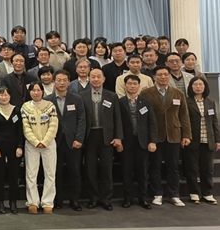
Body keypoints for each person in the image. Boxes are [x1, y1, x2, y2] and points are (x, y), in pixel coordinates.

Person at [140, 65, 192, 207]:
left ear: (169, 76)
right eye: (160, 75)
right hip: (155, 136)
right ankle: (157, 194)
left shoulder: (178, 93)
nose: (163, 77)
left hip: (174, 134)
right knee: (155, 166)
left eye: (165, 74)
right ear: (154, 77)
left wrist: (186, 135)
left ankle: (174, 194)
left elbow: (184, 115)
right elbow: (143, 117)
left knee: (173, 167)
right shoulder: (146, 93)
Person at [80, 68, 123, 210]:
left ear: (104, 79)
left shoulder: (112, 96)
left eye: (98, 76)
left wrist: (118, 137)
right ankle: (93, 198)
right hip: (89, 136)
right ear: (89, 79)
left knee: (107, 169)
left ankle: (106, 199)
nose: (96, 79)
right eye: (93, 77)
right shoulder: (82, 96)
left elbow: (117, 118)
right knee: (90, 169)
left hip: (107, 137)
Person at [45, 70, 86, 211]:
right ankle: (58, 200)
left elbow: (82, 119)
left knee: (74, 172)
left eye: (64, 80)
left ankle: (75, 200)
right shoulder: (47, 100)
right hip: (53, 142)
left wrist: (79, 138)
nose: (61, 83)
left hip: (73, 141)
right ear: (54, 82)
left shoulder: (76, 99)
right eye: (59, 80)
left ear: (69, 82)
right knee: (56, 173)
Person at [119, 74, 158, 209]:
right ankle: (127, 198)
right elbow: (117, 123)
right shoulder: (120, 102)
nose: (132, 86)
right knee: (127, 172)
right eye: (129, 84)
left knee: (143, 172)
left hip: (143, 142)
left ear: (139, 86)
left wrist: (152, 141)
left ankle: (143, 198)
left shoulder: (145, 102)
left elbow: (152, 123)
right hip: (126, 142)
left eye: (135, 84)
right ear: (125, 86)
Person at [21, 82, 59, 214]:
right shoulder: (25, 107)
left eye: (38, 90)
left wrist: (46, 141)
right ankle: (32, 202)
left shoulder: (50, 106)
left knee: (50, 174)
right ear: (30, 92)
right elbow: (26, 127)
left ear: (42, 91)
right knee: (31, 174)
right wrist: (35, 142)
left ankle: (48, 202)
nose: (36, 93)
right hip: (32, 145)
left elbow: (53, 125)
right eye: (33, 90)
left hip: (49, 144)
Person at [0, 86, 23, 214]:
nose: (4, 97)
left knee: (14, 176)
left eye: (6, 95)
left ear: (10, 96)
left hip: (14, 148)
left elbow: (20, 130)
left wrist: (20, 146)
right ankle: (0, 202)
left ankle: (13, 202)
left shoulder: (16, 110)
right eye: (1, 95)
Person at [185, 77, 219, 205]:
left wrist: (217, 140)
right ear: (191, 87)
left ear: (205, 87)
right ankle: (194, 193)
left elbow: (215, 122)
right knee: (192, 168)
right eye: (195, 84)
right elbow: (184, 121)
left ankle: (207, 193)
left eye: (201, 84)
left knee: (207, 169)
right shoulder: (187, 102)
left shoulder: (210, 102)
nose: (198, 87)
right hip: (192, 140)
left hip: (208, 140)